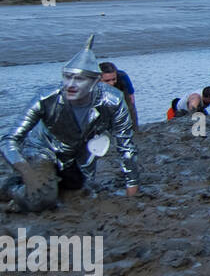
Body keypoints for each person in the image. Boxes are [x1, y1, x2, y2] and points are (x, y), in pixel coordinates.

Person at [1, 36, 139, 211]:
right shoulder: (45, 97)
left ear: (95, 82)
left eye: (80, 79)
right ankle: (10, 188)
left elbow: (126, 145)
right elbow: (9, 139)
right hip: (42, 150)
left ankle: (53, 181)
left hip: (76, 157)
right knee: (42, 199)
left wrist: (132, 188)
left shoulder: (113, 100)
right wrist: (26, 172)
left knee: (81, 194)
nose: (71, 85)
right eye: (67, 77)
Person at [99, 62, 139, 130]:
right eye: (107, 80)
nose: (111, 83)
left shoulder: (122, 76)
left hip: (121, 93)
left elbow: (131, 99)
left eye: (114, 79)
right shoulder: (90, 82)